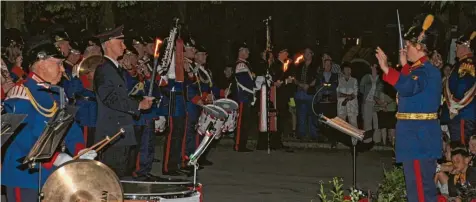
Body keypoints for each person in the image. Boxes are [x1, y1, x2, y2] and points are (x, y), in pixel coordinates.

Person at [1, 35, 95, 201]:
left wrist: (80, 149)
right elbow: (21, 137)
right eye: (58, 64)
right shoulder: (21, 93)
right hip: (24, 176)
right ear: (41, 62)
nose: (62, 69)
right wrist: (55, 158)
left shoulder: (56, 94)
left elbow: (69, 126)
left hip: (53, 175)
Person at [375, 14, 442, 202]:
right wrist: (404, 66)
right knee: (417, 191)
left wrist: (387, 69)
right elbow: (411, 89)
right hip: (416, 140)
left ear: (419, 47)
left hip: (419, 141)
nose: (405, 48)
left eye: (408, 45)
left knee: (421, 193)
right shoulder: (419, 70)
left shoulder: (426, 71)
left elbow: (409, 87)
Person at [93, 25, 153, 178]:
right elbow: (110, 98)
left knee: (121, 176)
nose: (124, 46)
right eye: (120, 42)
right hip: (113, 134)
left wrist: (139, 100)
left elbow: (122, 95)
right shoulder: (104, 69)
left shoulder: (114, 68)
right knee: (113, 178)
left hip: (121, 132)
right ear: (107, 44)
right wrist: (138, 105)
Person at [444, 29, 475, 145]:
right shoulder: (462, 63)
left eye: (457, 46)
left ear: (465, 47)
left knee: (461, 148)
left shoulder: (467, 63)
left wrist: (455, 105)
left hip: (462, 113)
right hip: (461, 114)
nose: (455, 49)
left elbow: (463, 85)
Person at [293, 48, 319, 141]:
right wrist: (300, 84)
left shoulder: (315, 66)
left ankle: (313, 135)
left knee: (312, 114)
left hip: (310, 93)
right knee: (301, 114)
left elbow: (317, 78)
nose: (306, 54)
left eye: (308, 53)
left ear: (312, 54)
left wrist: (308, 85)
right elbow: (295, 78)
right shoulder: (299, 65)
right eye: (305, 53)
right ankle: (301, 134)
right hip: (300, 93)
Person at [233, 42, 254, 152]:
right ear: (240, 52)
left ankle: (242, 144)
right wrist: (256, 83)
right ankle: (238, 144)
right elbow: (245, 81)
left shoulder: (245, 64)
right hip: (242, 96)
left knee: (245, 122)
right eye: (246, 51)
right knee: (241, 122)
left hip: (246, 96)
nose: (248, 53)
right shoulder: (241, 65)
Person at [359, 62, 383, 145]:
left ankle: (377, 140)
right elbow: (361, 88)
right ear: (371, 67)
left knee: (376, 122)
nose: (374, 68)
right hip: (367, 102)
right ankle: (367, 140)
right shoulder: (366, 77)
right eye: (373, 67)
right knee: (367, 122)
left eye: (376, 67)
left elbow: (381, 90)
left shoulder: (380, 79)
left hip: (376, 103)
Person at [337, 62, 358, 128]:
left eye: (349, 69)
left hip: (352, 106)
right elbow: (338, 93)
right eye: (346, 69)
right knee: (341, 125)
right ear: (343, 71)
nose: (348, 70)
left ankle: (355, 138)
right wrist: (348, 96)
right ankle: (341, 138)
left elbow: (355, 93)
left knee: (353, 125)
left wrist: (347, 98)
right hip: (341, 106)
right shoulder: (339, 80)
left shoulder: (354, 80)